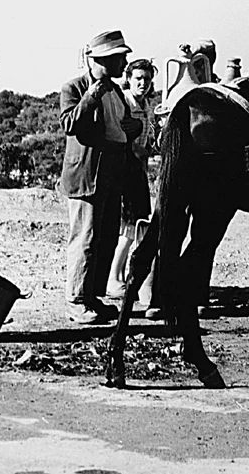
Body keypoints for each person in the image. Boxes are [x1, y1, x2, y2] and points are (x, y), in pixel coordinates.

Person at [59, 30, 143, 325]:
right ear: (101, 60)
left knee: (105, 239)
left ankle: (92, 297)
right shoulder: (74, 88)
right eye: (120, 58)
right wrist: (93, 94)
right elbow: (70, 124)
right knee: (85, 238)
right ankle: (76, 300)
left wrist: (133, 128)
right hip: (87, 176)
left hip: (111, 175)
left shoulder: (117, 91)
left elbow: (123, 125)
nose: (125, 63)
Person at [105, 58, 158, 300]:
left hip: (139, 171)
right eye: (138, 78)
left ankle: (125, 276)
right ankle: (112, 279)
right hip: (125, 170)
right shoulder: (124, 100)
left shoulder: (146, 104)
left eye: (146, 79)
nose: (143, 83)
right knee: (127, 229)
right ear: (129, 78)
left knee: (137, 226)